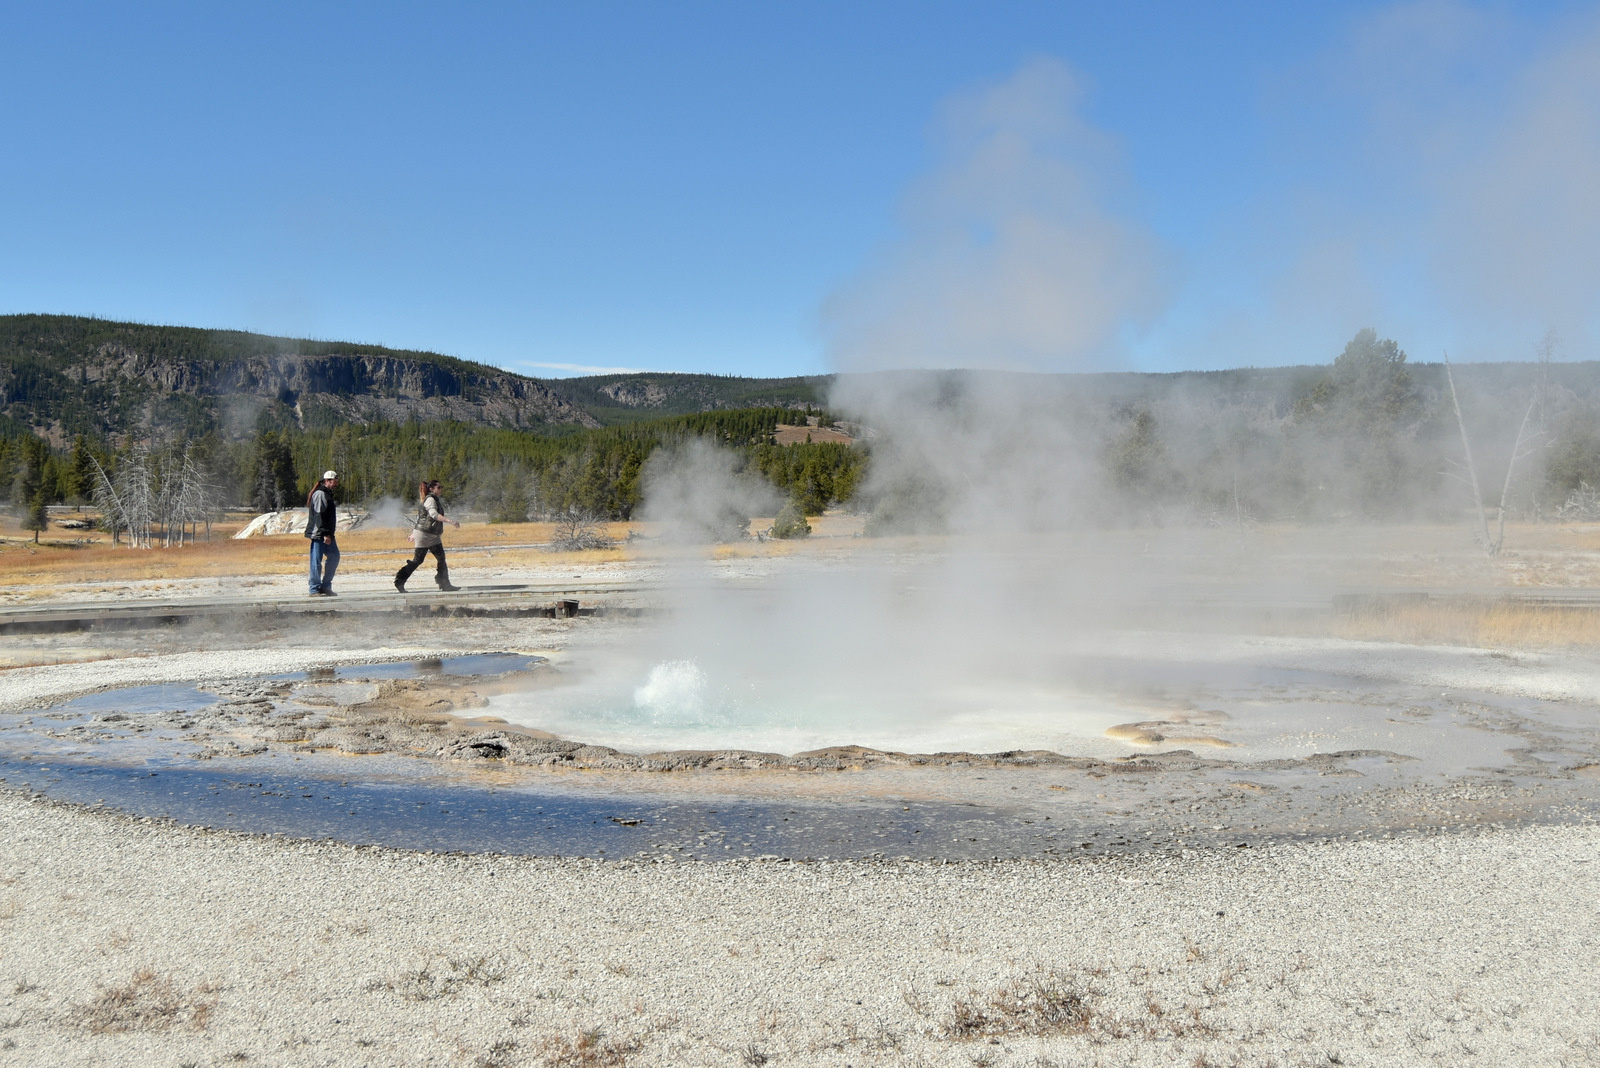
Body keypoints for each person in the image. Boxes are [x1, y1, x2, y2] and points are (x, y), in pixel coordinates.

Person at [395, 479, 461, 592]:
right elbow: (434, 515)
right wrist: (450, 521)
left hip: (432, 535)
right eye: (439, 487)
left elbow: (422, 518)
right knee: (418, 560)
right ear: (432, 489)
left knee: (441, 559)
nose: (441, 489)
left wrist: (413, 533)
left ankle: (445, 584)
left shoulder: (432, 499)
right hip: (425, 535)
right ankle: (399, 581)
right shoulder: (430, 499)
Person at [304, 470, 340, 596]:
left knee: (334, 557)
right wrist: (325, 534)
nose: (336, 484)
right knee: (316, 561)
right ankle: (314, 589)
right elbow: (320, 515)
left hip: (327, 533)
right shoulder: (320, 494)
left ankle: (325, 586)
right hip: (319, 533)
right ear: (327, 481)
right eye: (335, 482)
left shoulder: (327, 493)